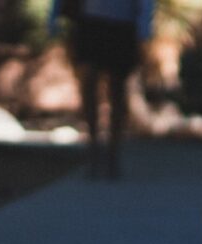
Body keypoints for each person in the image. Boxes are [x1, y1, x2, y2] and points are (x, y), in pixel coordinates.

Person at [49, 0, 155, 179]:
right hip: (90, 24)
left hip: (122, 25)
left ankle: (113, 154)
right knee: (89, 86)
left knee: (117, 92)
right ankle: (93, 151)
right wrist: (53, 17)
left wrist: (143, 29)